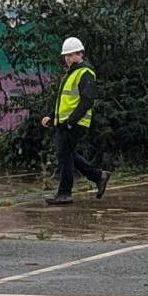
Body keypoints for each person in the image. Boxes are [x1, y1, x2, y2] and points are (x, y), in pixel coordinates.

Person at [40, 37, 111, 205]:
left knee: (64, 156)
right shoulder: (72, 73)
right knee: (67, 154)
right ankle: (99, 176)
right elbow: (64, 100)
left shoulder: (85, 72)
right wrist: (52, 115)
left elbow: (87, 101)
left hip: (73, 123)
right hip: (64, 122)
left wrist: (71, 122)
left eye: (70, 55)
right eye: (66, 56)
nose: (67, 59)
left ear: (79, 54)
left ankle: (65, 193)